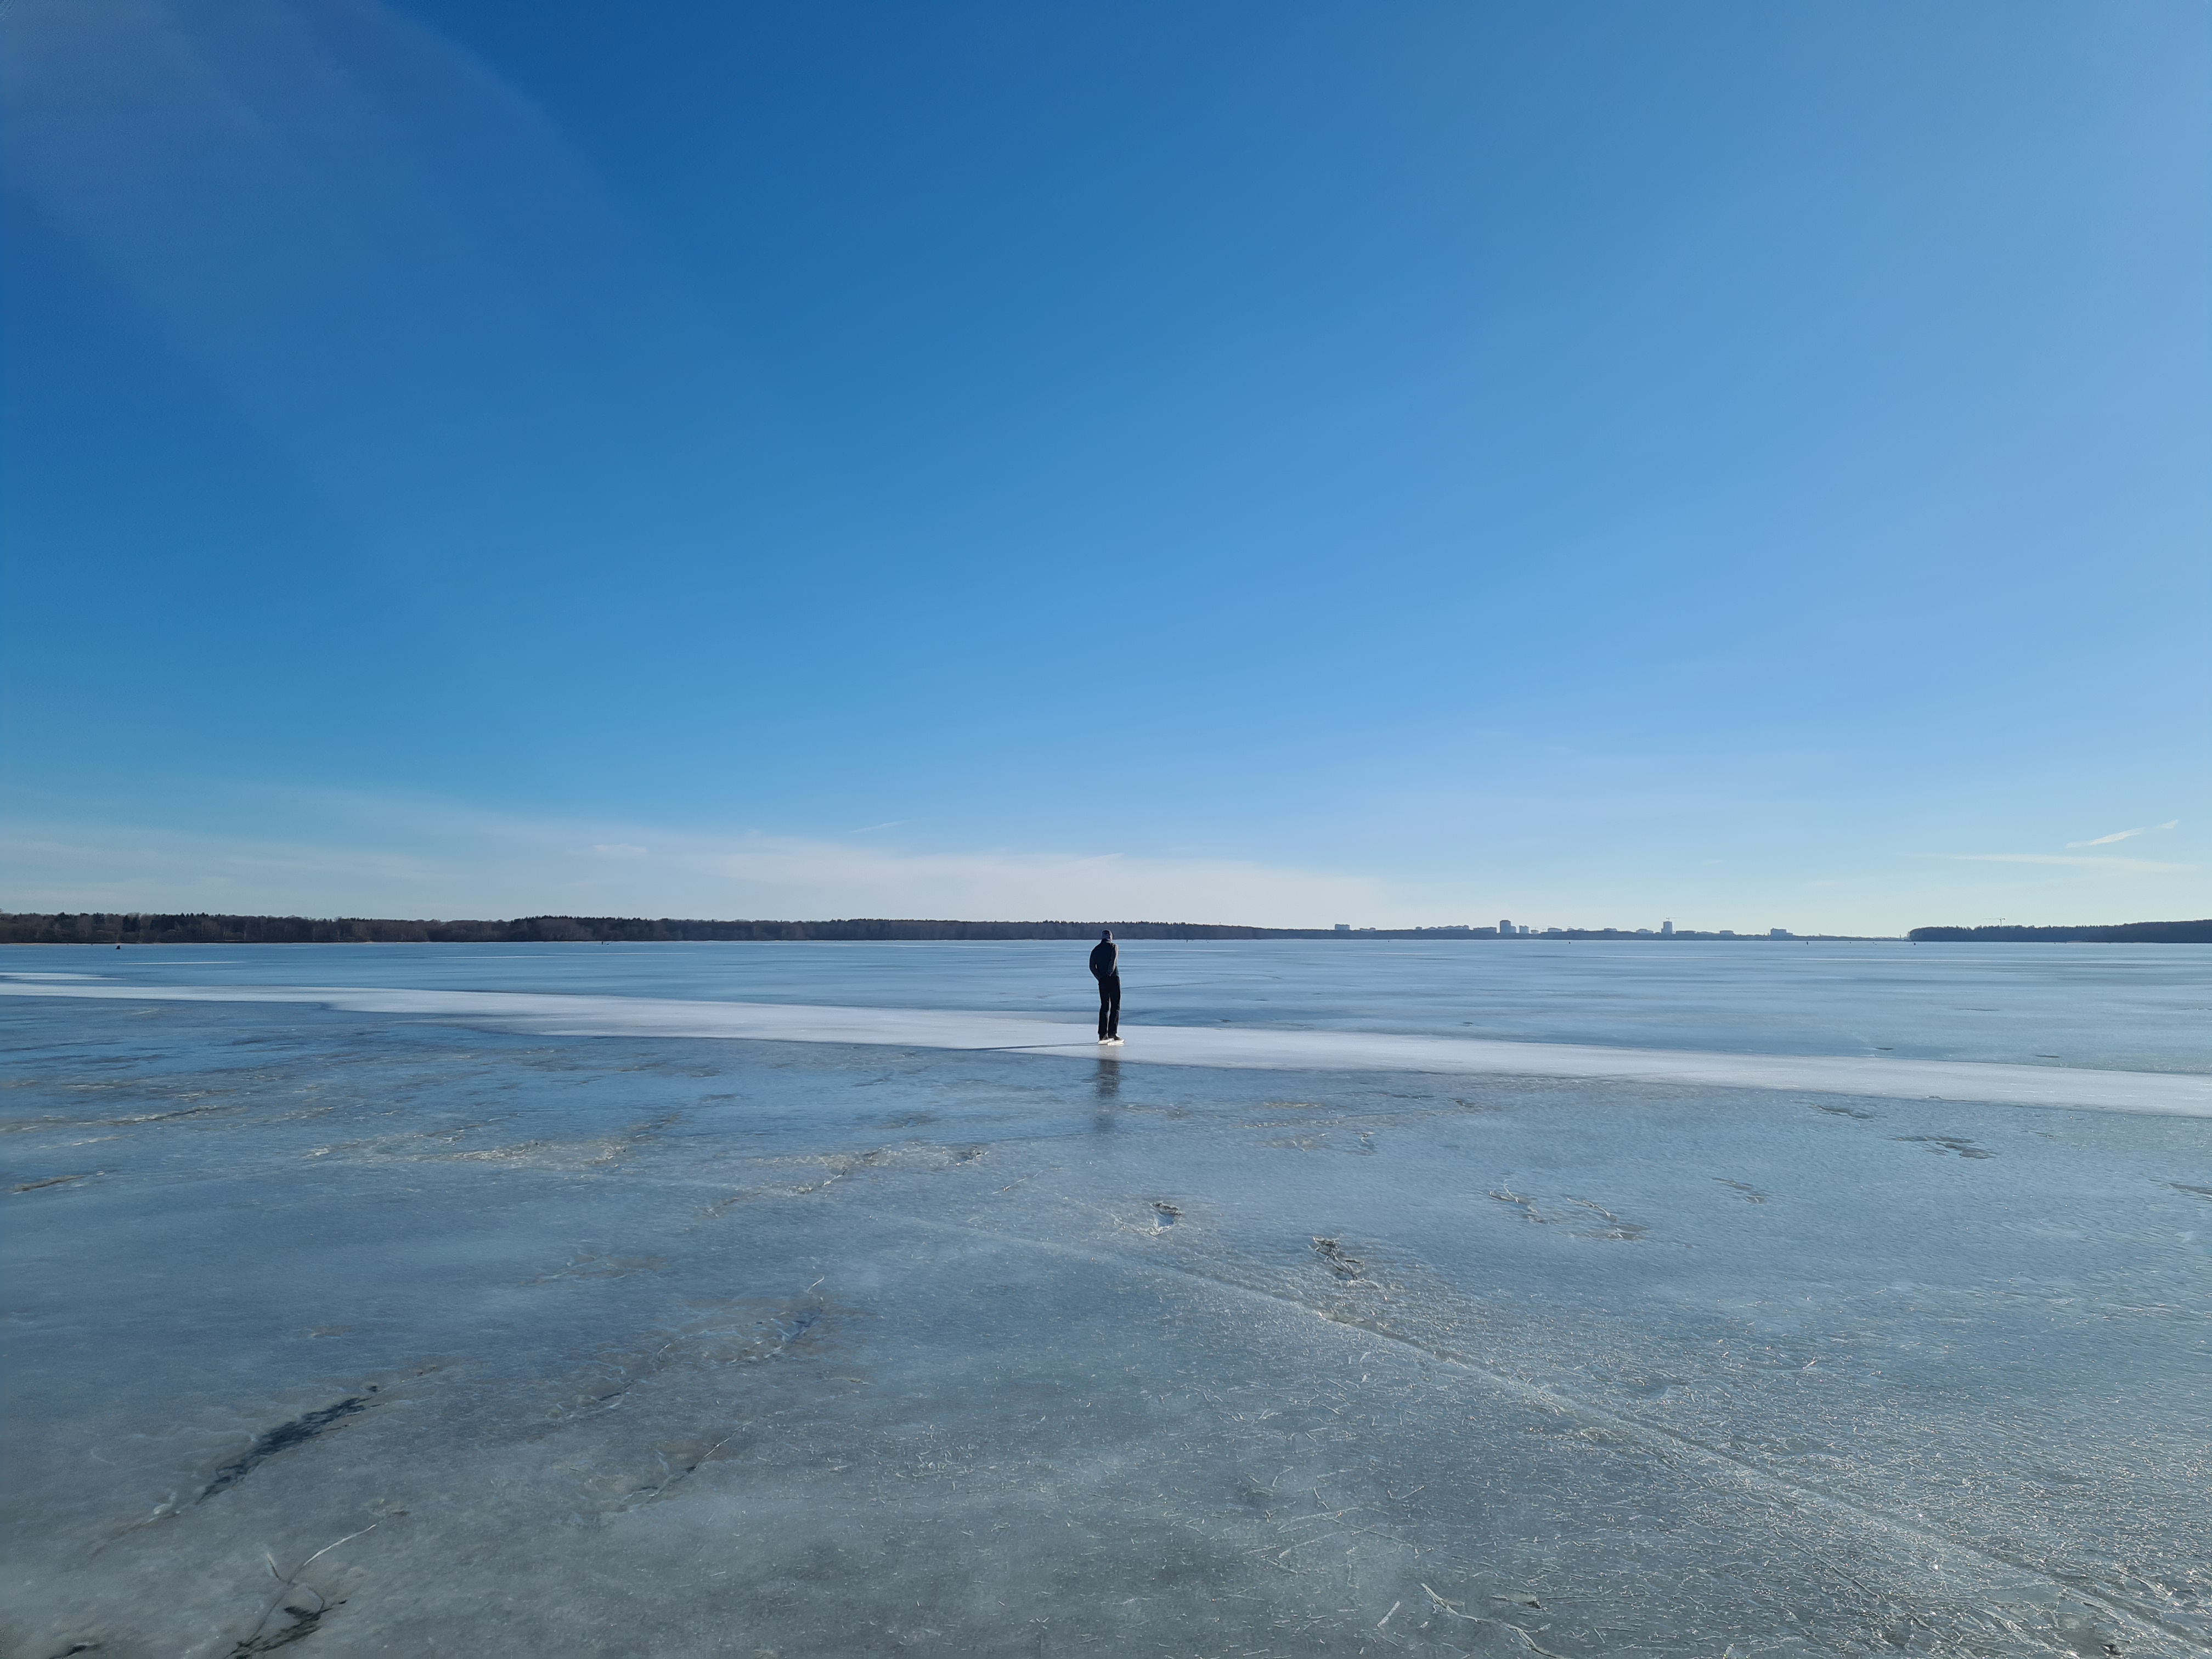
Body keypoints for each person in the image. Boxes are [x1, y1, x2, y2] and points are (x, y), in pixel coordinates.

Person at [1088, 929, 1121, 1043]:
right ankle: (1113, 1032)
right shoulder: (1114, 947)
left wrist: (1100, 977)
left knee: (1104, 1006)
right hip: (1113, 979)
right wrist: (1109, 974)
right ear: (1110, 937)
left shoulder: (1096, 950)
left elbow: (1092, 966)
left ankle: (1102, 1034)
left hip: (1102, 981)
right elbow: (1113, 962)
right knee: (1115, 1006)